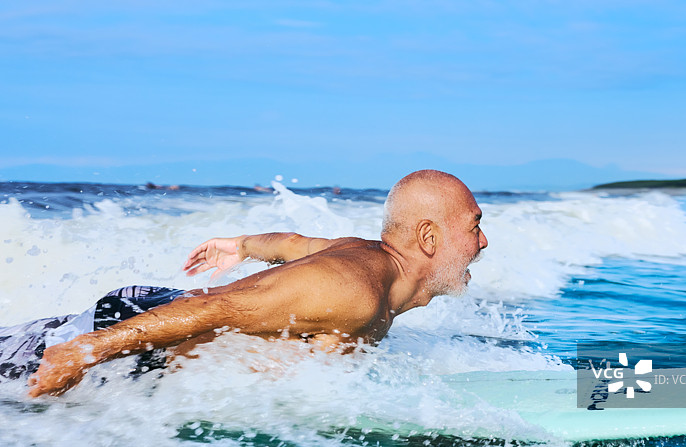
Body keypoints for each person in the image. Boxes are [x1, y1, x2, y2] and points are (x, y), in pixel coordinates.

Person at [9, 170, 487, 397]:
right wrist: (85, 351)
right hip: (136, 333)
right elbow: (219, 309)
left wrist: (241, 244)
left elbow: (293, 243)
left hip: (148, 325)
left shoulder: (364, 259)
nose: (482, 242)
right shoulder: (351, 290)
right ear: (428, 237)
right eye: (473, 226)